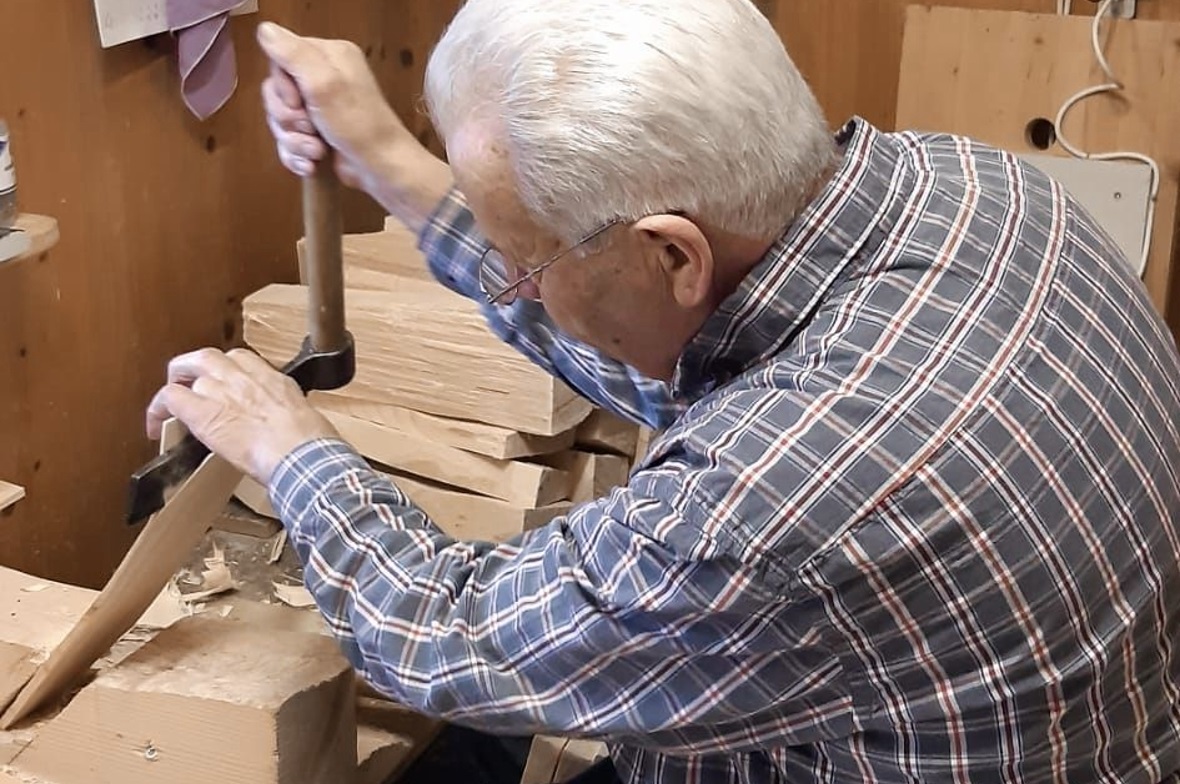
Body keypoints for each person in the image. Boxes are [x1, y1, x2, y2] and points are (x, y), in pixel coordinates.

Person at [145, 1, 1180, 782]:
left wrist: (289, 449)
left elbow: (443, 634)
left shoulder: (775, 500)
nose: (522, 286)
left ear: (672, 256)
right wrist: (383, 162)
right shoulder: (969, 187)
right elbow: (684, 356)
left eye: (520, 261)